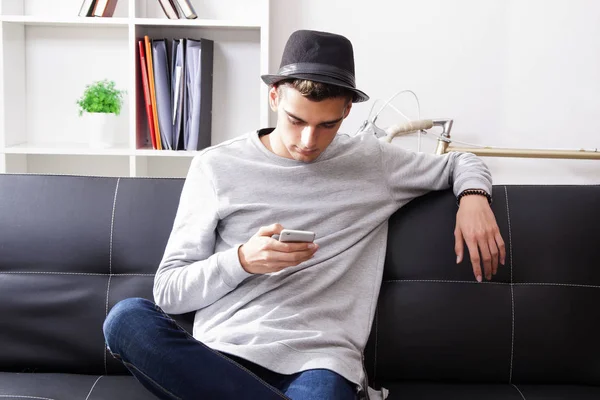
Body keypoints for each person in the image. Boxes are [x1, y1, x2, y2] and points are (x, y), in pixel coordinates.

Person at [103, 29, 505, 400]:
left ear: (347, 111)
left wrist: (473, 197)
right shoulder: (216, 166)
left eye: (327, 125)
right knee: (126, 319)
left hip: (321, 362)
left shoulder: (372, 161)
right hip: (221, 358)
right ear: (275, 96)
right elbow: (170, 292)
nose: (308, 141)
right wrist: (242, 261)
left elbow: (461, 162)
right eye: (296, 121)